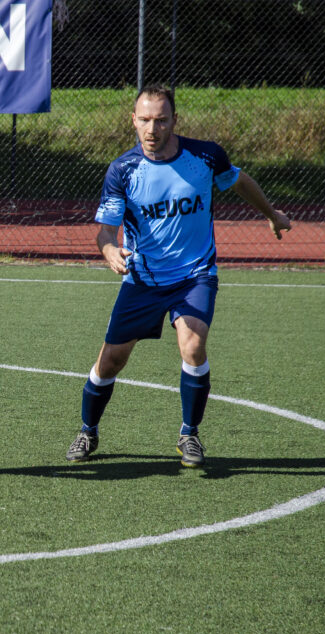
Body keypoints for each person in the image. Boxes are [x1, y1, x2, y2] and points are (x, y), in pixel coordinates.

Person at [66, 84, 291, 468]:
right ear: (133, 120)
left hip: (194, 275)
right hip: (143, 280)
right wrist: (109, 251)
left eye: (161, 120)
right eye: (144, 120)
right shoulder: (123, 170)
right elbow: (105, 231)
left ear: (174, 121)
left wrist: (272, 214)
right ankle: (88, 430)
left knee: (193, 345)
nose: (152, 129)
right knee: (111, 361)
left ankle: (189, 433)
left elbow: (239, 181)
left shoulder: (205, 156)